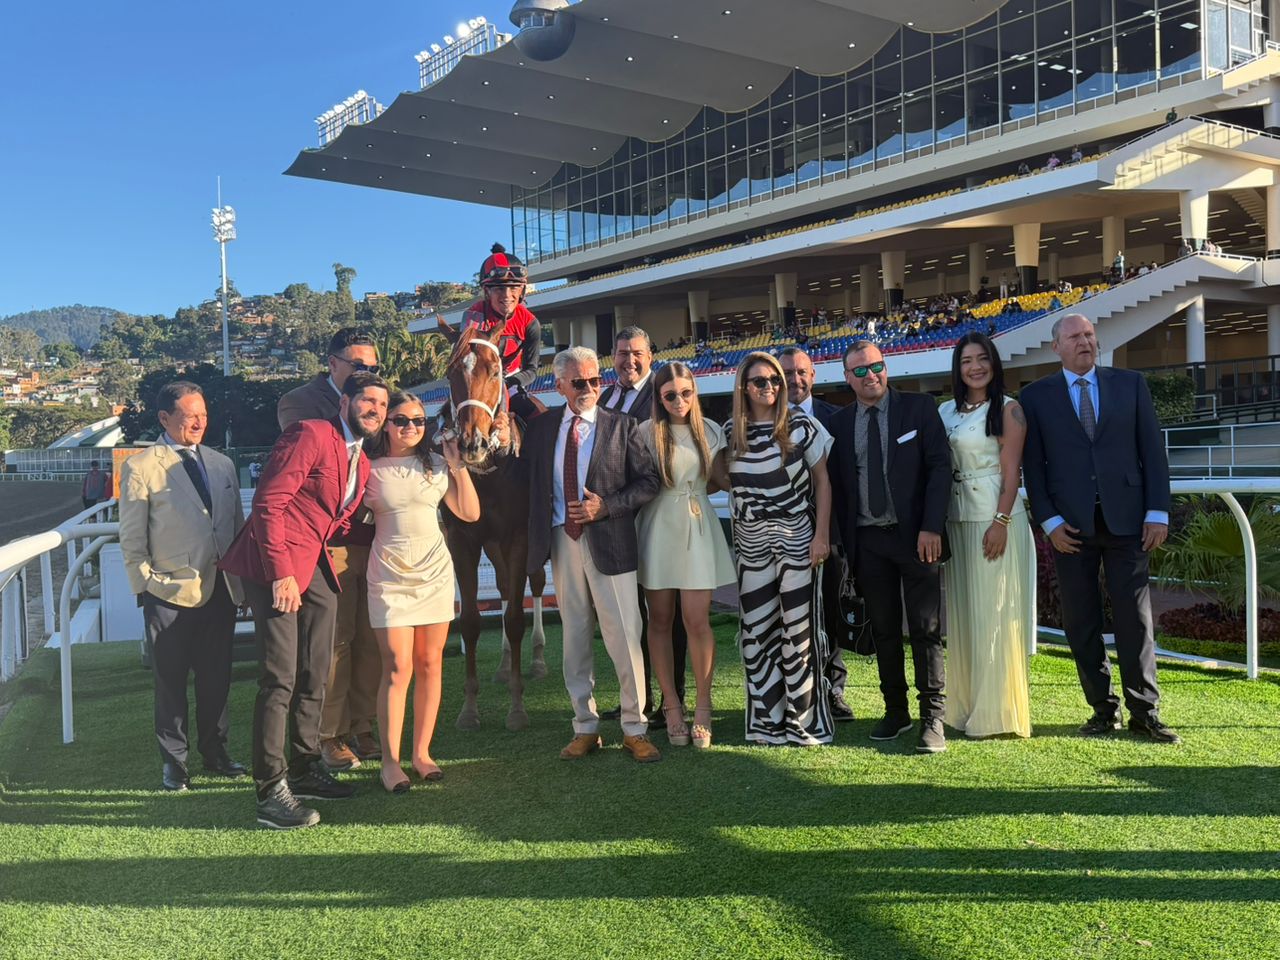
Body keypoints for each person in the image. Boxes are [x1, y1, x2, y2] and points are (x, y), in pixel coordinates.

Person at [220, 371, 390, 829]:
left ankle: (304, 766)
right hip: (274, 564)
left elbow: (339, 523)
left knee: (317, 672)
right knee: (280, 678)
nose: (375, 409)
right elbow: (268, 504)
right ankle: (270, 789)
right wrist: (281, 576)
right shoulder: (310, 433)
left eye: (382, 404)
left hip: (315, 563)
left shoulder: (362, 461)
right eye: (366, 400)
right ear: (345, 402)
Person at [1020, 314, 1179, 744]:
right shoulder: (1035, 397)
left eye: (1089, 334)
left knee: (1136, 620)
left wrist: (1158, 512)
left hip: (1129, 520)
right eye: (1075, 336)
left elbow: (1153, 452)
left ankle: (1145, 711)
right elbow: (1033, 467)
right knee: (1081, 622)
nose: (1085, 341)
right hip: (1069, 528)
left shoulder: (1130, 384)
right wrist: (1049, 521)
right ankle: (1102, 709)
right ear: (1056, 346)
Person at [525, 346, 662, 763]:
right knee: (574, 637)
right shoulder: (542, 428)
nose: (588, 389)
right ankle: (584, 726)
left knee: (625, 638)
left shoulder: (622, 426)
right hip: (561, 542)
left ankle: (634, 727)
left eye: (595, 381)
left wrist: (607, 506)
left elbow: (649, 482)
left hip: (613, 543)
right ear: (560, 384)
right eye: (579, 382)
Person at [118, 381, 247, 791]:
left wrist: (241, 584)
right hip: (168, 593)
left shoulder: (222, 464)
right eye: (189, 415)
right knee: (170, 682)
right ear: (164, 419)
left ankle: (216, 752)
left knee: (217, 678)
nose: (198, 422)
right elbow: (132, 536)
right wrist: (146, 585)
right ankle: (174, 762)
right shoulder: (140, 467)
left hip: (222, 588)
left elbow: (236, 528)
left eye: (203, 415)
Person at [826, 341, 951, 753]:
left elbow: (939, 468)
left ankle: (933, 717)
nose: (870, 375)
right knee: (883, 631)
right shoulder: (841, 424)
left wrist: (932, 526)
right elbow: (838, 487)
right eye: (859, 371)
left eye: (875, 366)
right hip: (868, 541)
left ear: (886, 367)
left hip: (917, 538)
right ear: (847, 378)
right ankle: (895, 710)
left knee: (925, 629)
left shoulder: (919, 408)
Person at [278, 327, 383, 773]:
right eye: (358, 365)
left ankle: (363, 724)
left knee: (370, 640)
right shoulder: (300, 404)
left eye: (373, 367)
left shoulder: (381, 400)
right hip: (327, 546)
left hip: (372, 541)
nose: (366, 374)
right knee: (334, 643)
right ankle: (328, 734)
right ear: (332, 362)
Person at [364, 392, 479, 793]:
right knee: (397, 667)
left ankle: (422, 754)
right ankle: (390, 762)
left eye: (417, 420)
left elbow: (469, 512)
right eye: (400, 420)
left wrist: (457, 466)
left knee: (430, 663)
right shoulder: (367, 467)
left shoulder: (434, 465)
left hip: (434, 572)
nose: (410, 427)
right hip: (389, 575)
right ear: (385, 423)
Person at [721, 351, 834, 746]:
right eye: (759, 381)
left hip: (797, 539)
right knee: (756, 633)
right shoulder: (731, 431)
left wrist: (821, 535)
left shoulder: (801, 425)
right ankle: (767, 722)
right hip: (751, 544)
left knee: (798, 634)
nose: (768, 387)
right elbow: (715, 475)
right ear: (743, 387)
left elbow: (823, 482)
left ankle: (802, 722)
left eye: (774, 381)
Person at [635, 362, 735, 749]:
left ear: (695, 392)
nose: (679, 400)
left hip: (698, 526)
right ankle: (672, 705)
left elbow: (721, 480)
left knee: (697, 621)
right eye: (670, 395)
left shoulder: (711, 431)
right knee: (659, 620)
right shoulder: (645, 433)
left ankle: (704, 707)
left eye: (686, 392)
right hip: (658, 528)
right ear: (659, 399)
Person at [939, 335, 1032, 739]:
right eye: (966, 361)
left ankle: (997, 714)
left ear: (993, 363)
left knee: (994, 614)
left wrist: (1001, 522)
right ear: (958, 369)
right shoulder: (946, 411)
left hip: (992, 520)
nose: (975, 367)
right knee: (964, 617)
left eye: (982, 359)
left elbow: (1012, 473)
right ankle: (964, 706)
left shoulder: (1009, 410)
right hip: (956, 519)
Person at [597, 326, 687, 729]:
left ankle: (674, 699)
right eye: (620, 353)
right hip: (617, 525)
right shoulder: (605, 396)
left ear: (651, 355)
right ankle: (637, 697)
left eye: (636, 353)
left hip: (656, 518)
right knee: (627, 618)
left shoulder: (665, 395)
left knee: (666, 617)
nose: (628, 361)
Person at [779, 347, 853, 722]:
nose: (795, 379)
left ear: (814, 375)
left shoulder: (836, 419)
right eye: (787, 372)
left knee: (829, 613)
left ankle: (832, 688)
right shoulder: (759, 421)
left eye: (801, 372)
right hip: (778, 537)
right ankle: (789, 693)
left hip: (830, 532)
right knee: (786, 616)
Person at [456, 242, 543, 423]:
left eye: (513, 288)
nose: (507, 295)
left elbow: (531, 370)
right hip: (477, 381)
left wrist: (505, 384)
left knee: (541, 418)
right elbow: (466, 362)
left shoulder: (530, 323)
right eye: (499, 288)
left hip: (510, 381)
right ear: (487, 292)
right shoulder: (473, 316)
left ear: (522, 291)